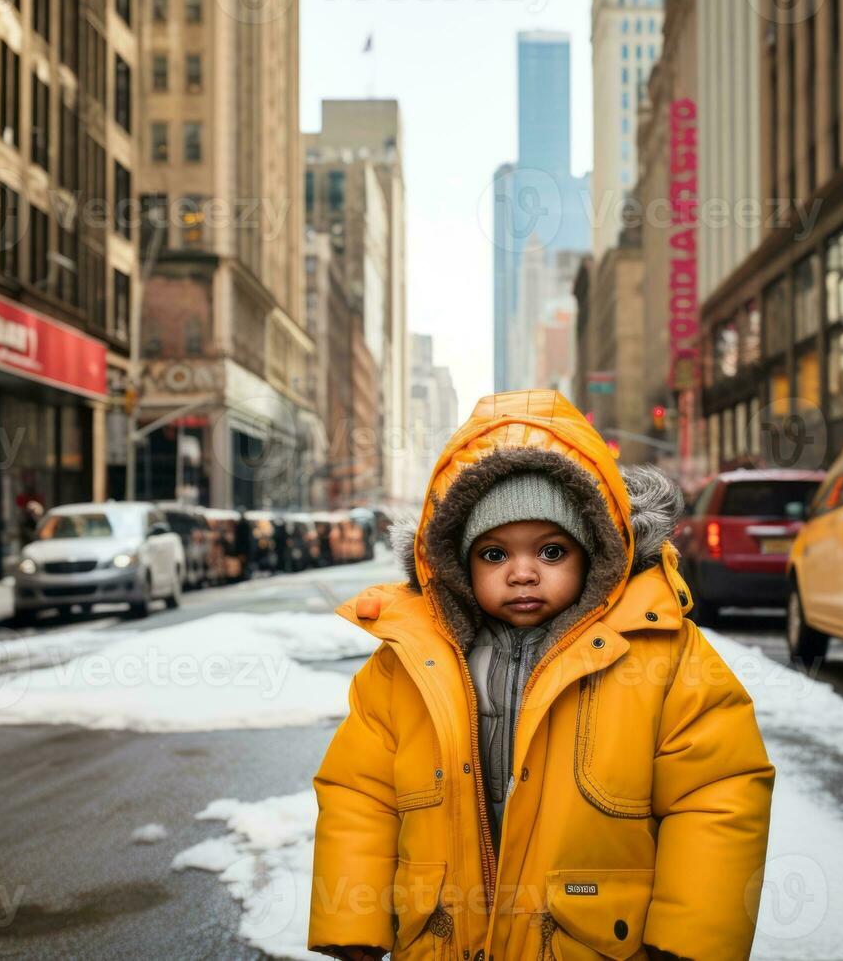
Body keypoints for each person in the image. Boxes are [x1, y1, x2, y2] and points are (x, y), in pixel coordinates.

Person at [309, 391, 775, 961]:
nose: (523, 573)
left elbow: (716, 792)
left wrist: (690, 940)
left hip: (591, 940)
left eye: (551, 552)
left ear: (596, 552)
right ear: (456, 562)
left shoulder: (658, 654)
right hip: (445, 939)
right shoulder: (406, 662)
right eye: (494, 554)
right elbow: (361, 792)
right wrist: (353, 916)